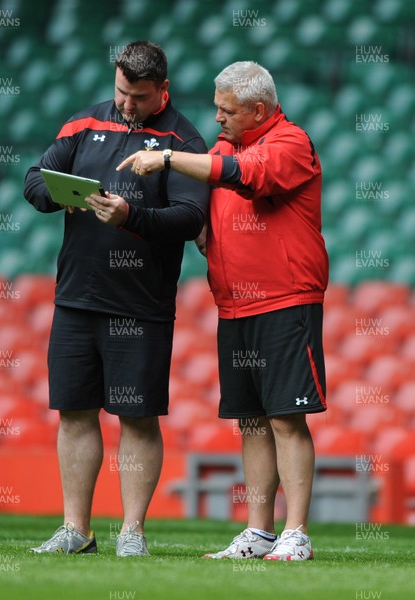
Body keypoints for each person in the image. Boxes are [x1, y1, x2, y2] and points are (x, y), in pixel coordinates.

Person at [117, 61, 328, 561]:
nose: (217, 119)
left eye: (226, 111)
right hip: (233, 305)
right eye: (215, 108)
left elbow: (245, 177)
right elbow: (203, 200)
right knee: (252, 422)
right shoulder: (224, 145)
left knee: (286, 420)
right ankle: (259, 532)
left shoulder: (290, 143)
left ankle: (296, 532)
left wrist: (168, 158)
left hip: (285, 300)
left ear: (258, 110)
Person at [24, 41, 209, 555]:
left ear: (162, 91)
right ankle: (76, 530)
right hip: (76, 297)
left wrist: (133, 217)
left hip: (141, 306)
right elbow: (34, 180)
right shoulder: (82, 124)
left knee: (137, 417)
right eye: (122, 92)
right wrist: (65, 193)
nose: (127, 105)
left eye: (140, 97)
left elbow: (192, 218)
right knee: (75, 412)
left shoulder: (183, 141)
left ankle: (132, 532)